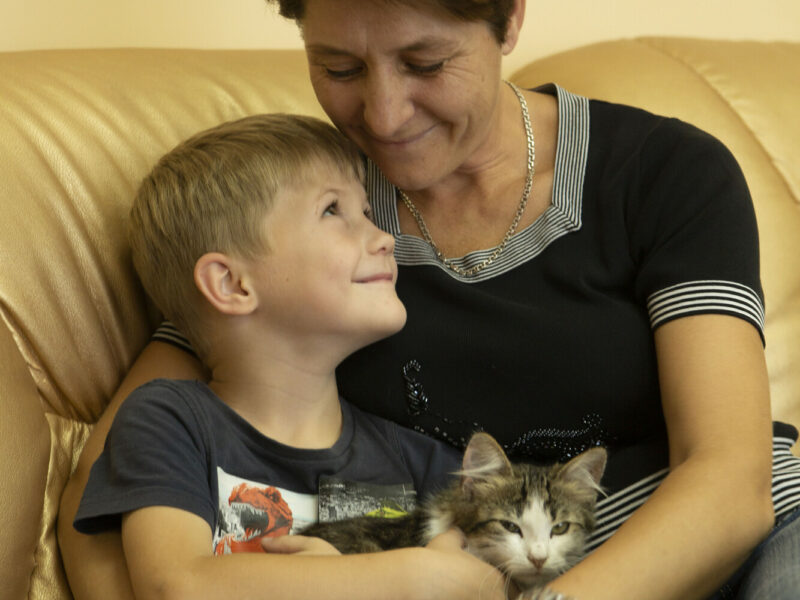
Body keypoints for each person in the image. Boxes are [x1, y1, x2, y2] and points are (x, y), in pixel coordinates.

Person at [58, 1, 800, 599]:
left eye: (426, 63)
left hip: (736, 543)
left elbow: (731, 484)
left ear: (509, 19)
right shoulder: (308, 210)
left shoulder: (664, 173)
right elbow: (114, 480)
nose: (382, 117)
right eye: (339, 66)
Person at [70, 112, 506, 599]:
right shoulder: (170, 422)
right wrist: (411, 577)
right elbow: (179, 585)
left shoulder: (422, 462)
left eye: (366, 211)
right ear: (232, 284)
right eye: (332, 211)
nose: (384, 237)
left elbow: (482, 582)